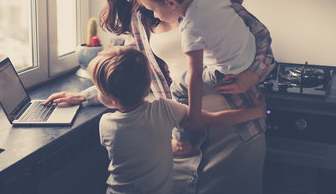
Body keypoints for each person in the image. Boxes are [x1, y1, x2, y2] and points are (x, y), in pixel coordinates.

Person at [45, 0, 275, 193]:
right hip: (183, 129)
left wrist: (253, 76)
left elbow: (259, 35)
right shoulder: (138, 20)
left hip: (236, 126)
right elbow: (129, 74)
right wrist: (85, 96)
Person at [89, 46, 266, 194]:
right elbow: (215, 119)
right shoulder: (164, 109)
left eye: (97, 88)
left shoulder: (107, 124)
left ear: (112, 99)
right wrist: (258, 112)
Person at [135, 0, 265, 157]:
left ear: (170, 2)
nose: (156, 16)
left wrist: (194, 116)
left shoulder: (189, 29)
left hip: (224, 72)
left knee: (178, 88)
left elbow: (195, 77)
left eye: (153, 9)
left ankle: (184, 140)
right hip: (247, 57)